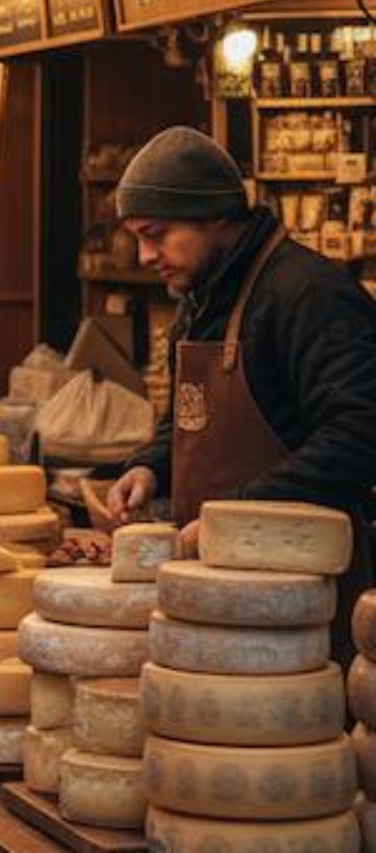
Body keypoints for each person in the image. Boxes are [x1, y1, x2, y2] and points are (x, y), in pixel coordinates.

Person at [104, 127, 376, 660]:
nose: (143, 255)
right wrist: (150, 465)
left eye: (156, 234)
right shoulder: (201, 299)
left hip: (307, 596)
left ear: (215, 217)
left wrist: (240, 513)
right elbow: (186, 416)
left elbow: (359, 431)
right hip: (213, 584)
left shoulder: (308, 295)